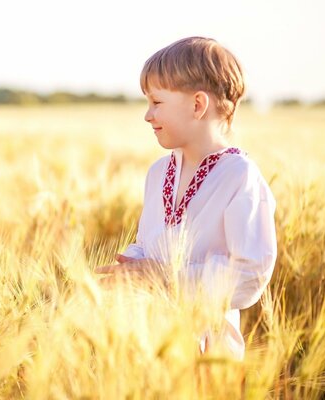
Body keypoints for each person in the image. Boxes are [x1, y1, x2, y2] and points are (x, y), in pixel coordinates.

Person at [95, 37, 277, 359]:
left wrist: (165, 277)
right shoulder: (158, 172)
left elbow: (250, 275)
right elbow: (151, 243)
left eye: (156, 102)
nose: (147, 115)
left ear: (197, 105)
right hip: (150, 349)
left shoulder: (239, 176)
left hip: (209, 359)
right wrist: (130, 268)